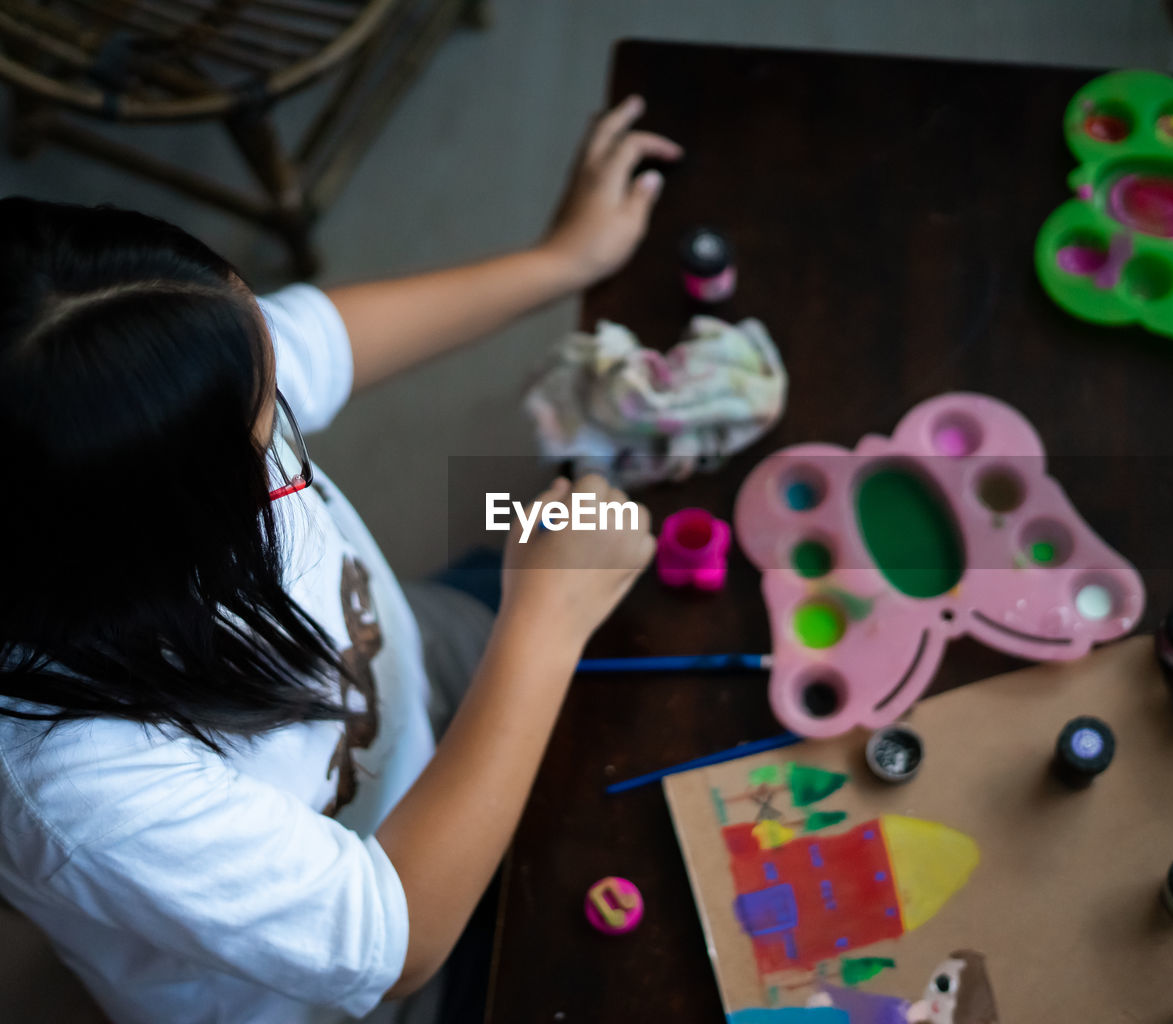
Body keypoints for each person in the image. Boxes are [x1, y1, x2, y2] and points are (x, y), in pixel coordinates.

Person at [0, 96, 680, 1024]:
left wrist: (561, 260)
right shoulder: (77, 786)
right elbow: (398, 935)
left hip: (406, 659)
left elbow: (326, 334)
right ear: (146, 541)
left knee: (542, 571)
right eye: (263, 435)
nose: (288, 438)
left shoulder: (142, 391)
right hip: (357, 956)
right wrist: (544, 622)